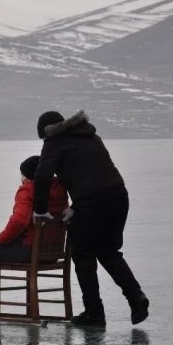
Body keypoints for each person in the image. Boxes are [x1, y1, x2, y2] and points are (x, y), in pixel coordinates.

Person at [32, 110, 149, 327]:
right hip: (118, 196)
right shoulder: (91, 137)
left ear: (46, 131)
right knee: (108, 251)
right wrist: (76, 206)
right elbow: (95, 174)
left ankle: (94, 313)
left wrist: (40, 209)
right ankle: (136, 297)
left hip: (91, 201)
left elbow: (42, 176)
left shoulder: (54, 141)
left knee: (83, 254)